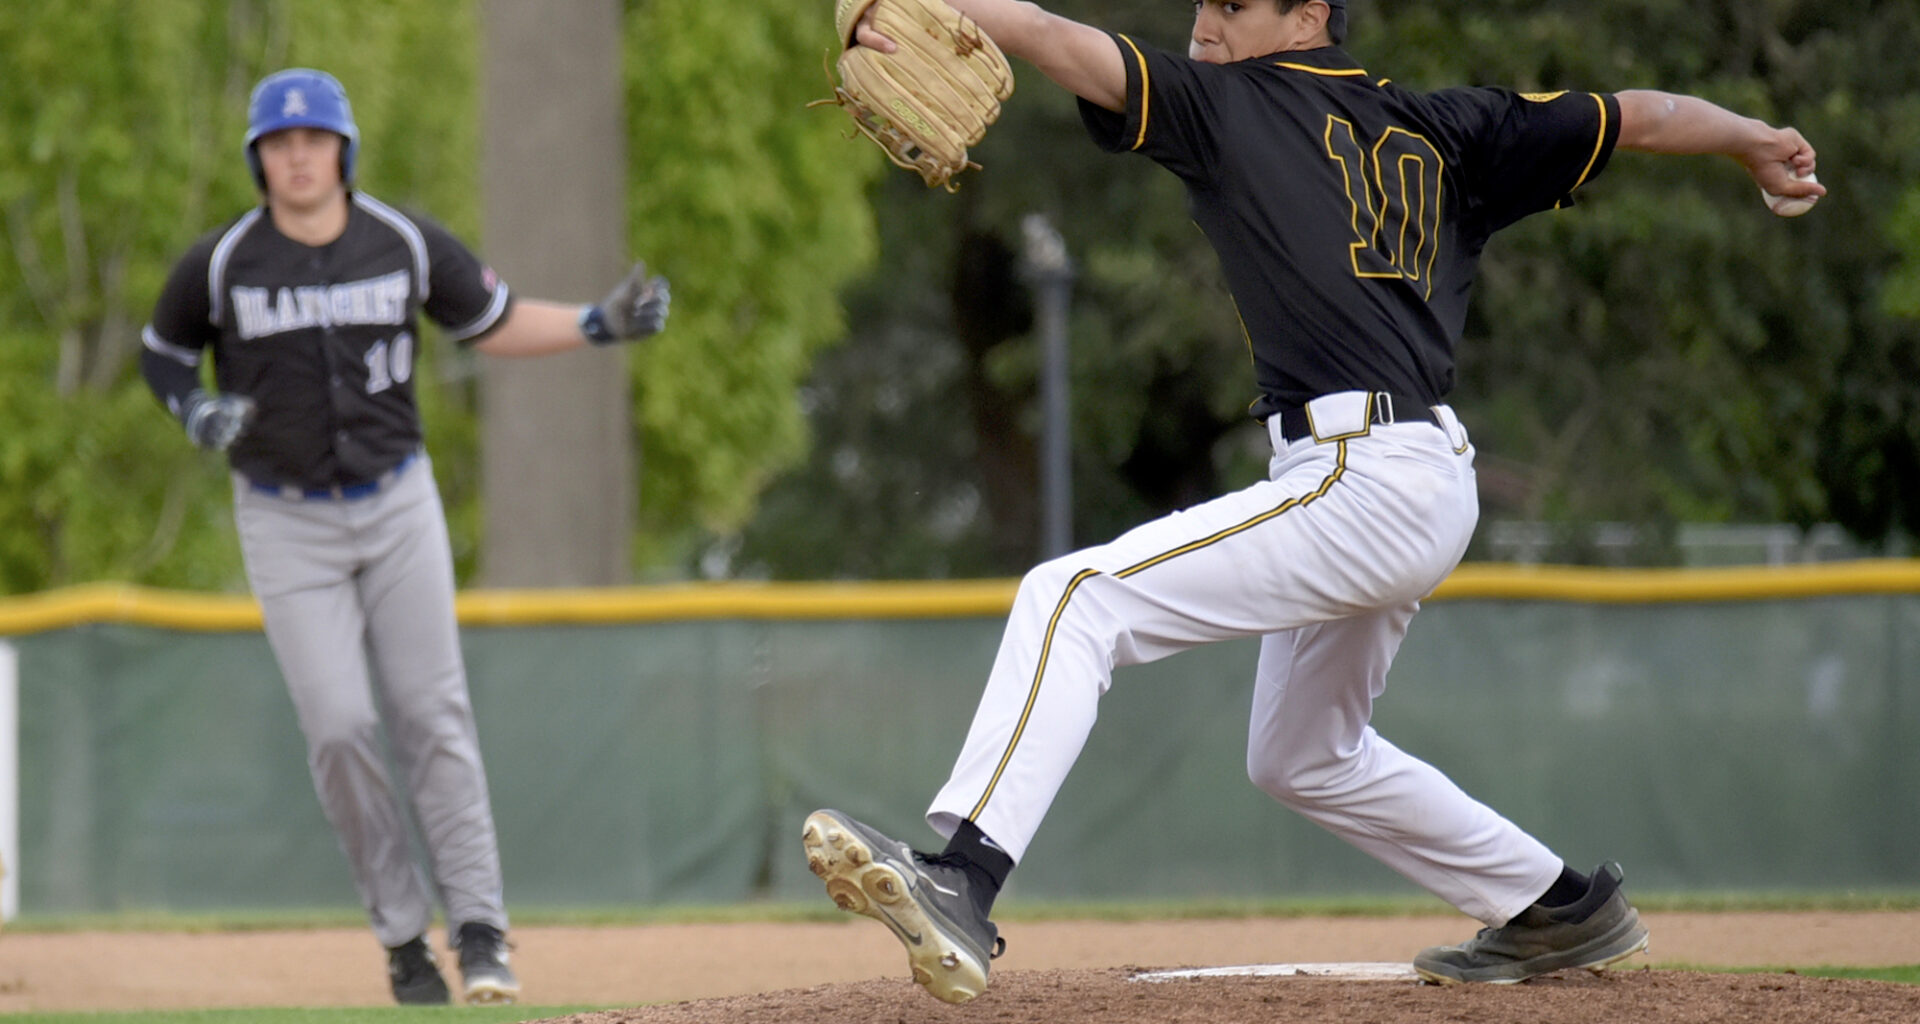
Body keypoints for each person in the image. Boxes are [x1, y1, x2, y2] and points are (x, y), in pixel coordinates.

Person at [801, 0, 1824, 1005]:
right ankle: (1554, 902)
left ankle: (963, 878)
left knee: (1074, 596)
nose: (1206, 23)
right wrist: (1754, 141)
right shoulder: (1451, 126)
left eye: (1234, 4)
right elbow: (1638, 114)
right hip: (1413, 473)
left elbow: (1050, 36)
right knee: (1303, 753)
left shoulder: (1228, 106)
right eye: (1203, 2)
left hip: (1360, 476)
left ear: (1308, 17)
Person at [140, 68, 671, 1006]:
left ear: (343, 150)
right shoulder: (223, 262)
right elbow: (164, 351)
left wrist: (596, 323)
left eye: (313, 139)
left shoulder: (402, 241)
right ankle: (401, 940)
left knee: (433, 715)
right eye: (279, 141)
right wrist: (193, 411)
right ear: (258, 157)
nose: (297, 155)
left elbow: (493, 322)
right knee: (340, 726)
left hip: (397, 507)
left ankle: (480, 933)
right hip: (283, 517)